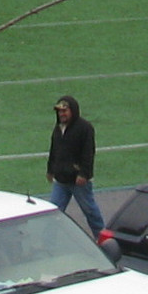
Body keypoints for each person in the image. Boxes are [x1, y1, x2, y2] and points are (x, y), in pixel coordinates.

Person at [45, 94, 103, 232]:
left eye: (64, 111)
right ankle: (47, 244)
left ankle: (102, 239)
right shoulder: (58, 128)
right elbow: (54, 151)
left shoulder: (85, 128)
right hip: (61, 180)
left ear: (73, 111)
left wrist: (84, 174)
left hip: (78, 181)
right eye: (59, 111)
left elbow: (88, 153)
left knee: (90, 211)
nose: (61, 114)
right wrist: (50, 169)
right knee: (53, 213)